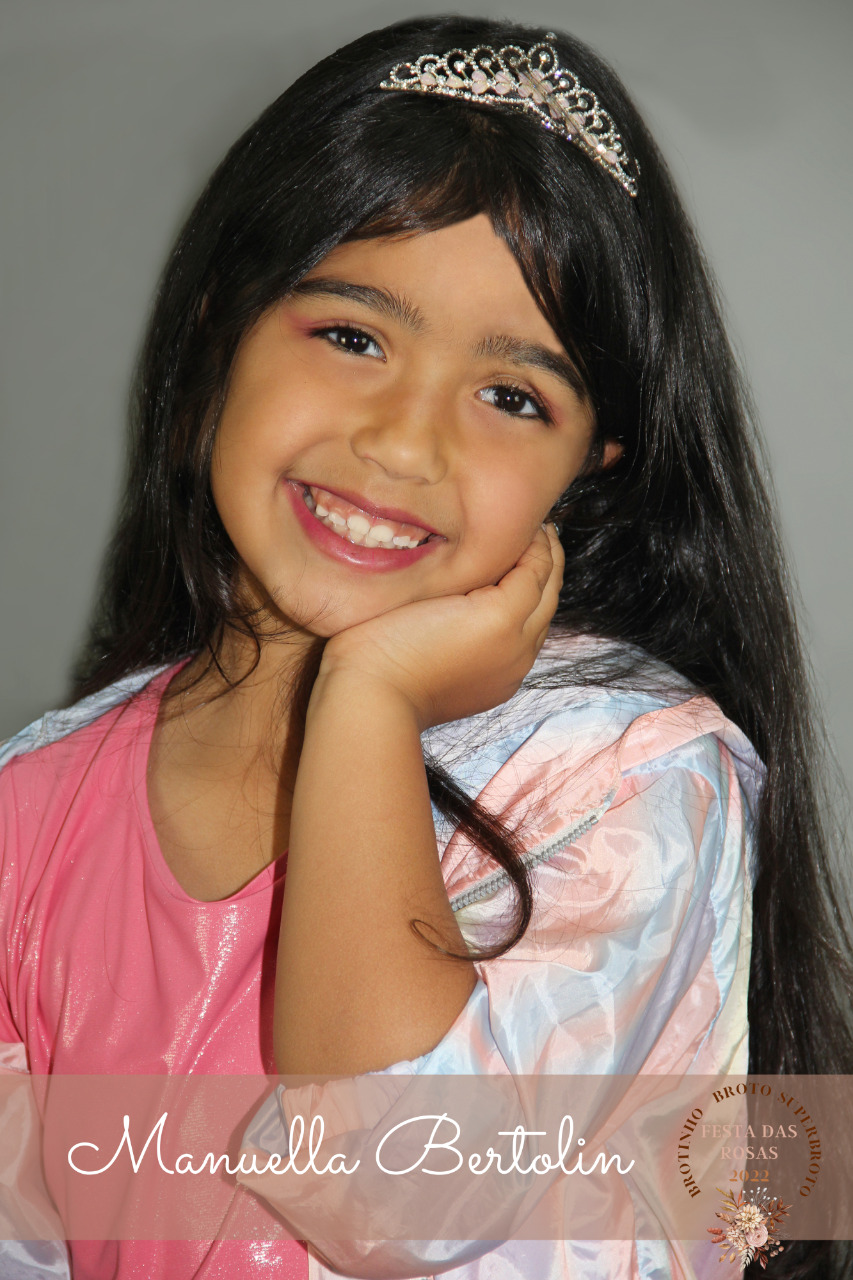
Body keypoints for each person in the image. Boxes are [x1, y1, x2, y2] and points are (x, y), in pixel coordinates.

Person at [1, 14, 851, 1280]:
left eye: (512, 396)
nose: (404, 443)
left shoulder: (626, 771)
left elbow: (397, 1190)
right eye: (353, 336)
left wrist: (368, 705)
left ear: (593, 461)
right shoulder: (33, 803)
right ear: (219, 329)